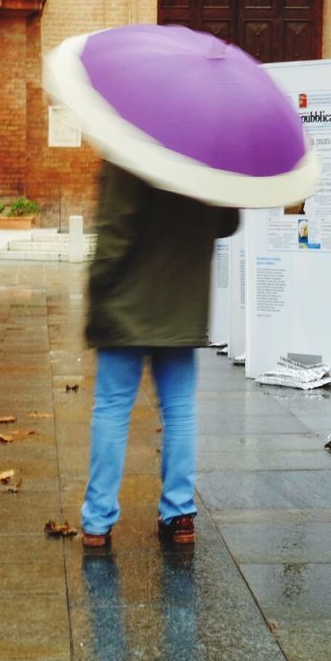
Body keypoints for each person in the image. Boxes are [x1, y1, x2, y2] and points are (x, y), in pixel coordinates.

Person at [81, 162, 239, 548]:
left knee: (113, 408)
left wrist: (97, 284)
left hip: (126, 302)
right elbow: (226, 223)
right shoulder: (206, 152)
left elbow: (115, 229)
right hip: (182, 301)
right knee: (180, 409)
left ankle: (98, 521)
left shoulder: (131, 145)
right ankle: (179, 514)